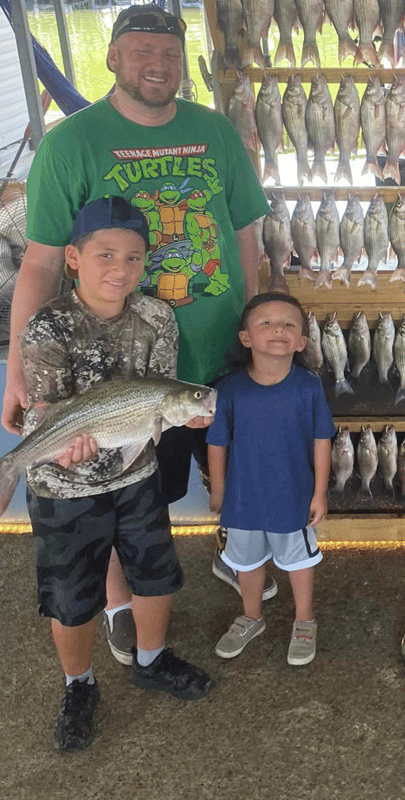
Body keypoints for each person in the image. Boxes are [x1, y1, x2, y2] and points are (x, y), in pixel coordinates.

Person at [2, 3, 272, 665]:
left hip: (216, 349)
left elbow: (246, 237)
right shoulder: (71, 143)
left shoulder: (215, 132)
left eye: (170, 55)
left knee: (227, 470)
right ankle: (121, 605)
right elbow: (40, 260)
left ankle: (237, 558)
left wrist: (255, 320)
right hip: (116, 364)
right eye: (142, 52)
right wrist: (17, 367)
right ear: (114, 58)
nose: (158, 65)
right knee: (128, 484)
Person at [16, 196, 212, 753]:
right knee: (71, 600)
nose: (119, 269)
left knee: (157, 575)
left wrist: (181, 413)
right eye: (105, 254)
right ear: (74, 258)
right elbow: (51, 413)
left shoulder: (157, 317)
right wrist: (61, 450)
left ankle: (150, 658)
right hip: (65, 487)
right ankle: (78, 686)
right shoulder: (48, 324)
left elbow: (160, 401)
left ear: (145, 262)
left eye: (132, 257)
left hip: (137, 476)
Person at [207, 293, 333, 666]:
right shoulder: (228, 389)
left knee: (298, 562)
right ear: (246, 338)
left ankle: (305, 620)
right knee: (246, 565)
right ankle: (251, 617)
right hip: (242, 500)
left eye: (289, 325)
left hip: (293, 498)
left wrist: (320, 493)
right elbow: (216, 443)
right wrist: (218, 490)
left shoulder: (309, 387)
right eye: (266, 323)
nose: (278, 329)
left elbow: (322, 440)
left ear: (302, 342)